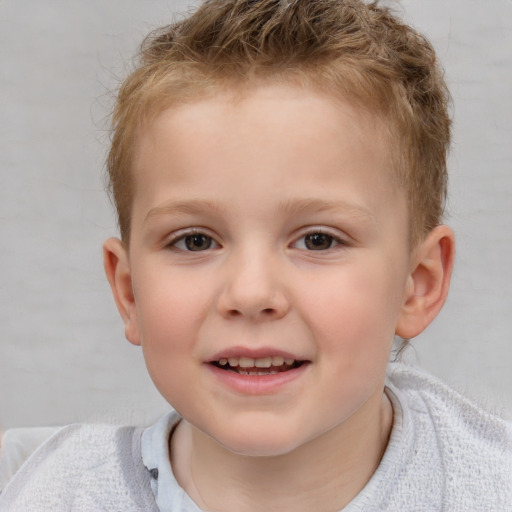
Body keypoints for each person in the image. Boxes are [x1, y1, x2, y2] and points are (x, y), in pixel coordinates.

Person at [1, 0, 510, 510]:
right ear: (129, 291)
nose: (250, 293)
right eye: (195, 241)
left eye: (318, 240)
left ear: (417, 284)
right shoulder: (55, 493)